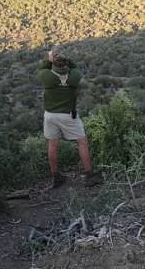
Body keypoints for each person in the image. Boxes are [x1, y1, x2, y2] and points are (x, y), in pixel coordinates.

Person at [37, 48, 103, 188]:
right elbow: (75, 67)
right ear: (66, 64)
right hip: (68, 115)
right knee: (82, 142)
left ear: (53, 64)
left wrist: (49, 59)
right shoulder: (74, 76)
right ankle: (89, 175)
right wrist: (67, 59)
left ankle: (56, 176)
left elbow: (43, 67)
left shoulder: (46, 77)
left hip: (50, 115)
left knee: (52, 145)